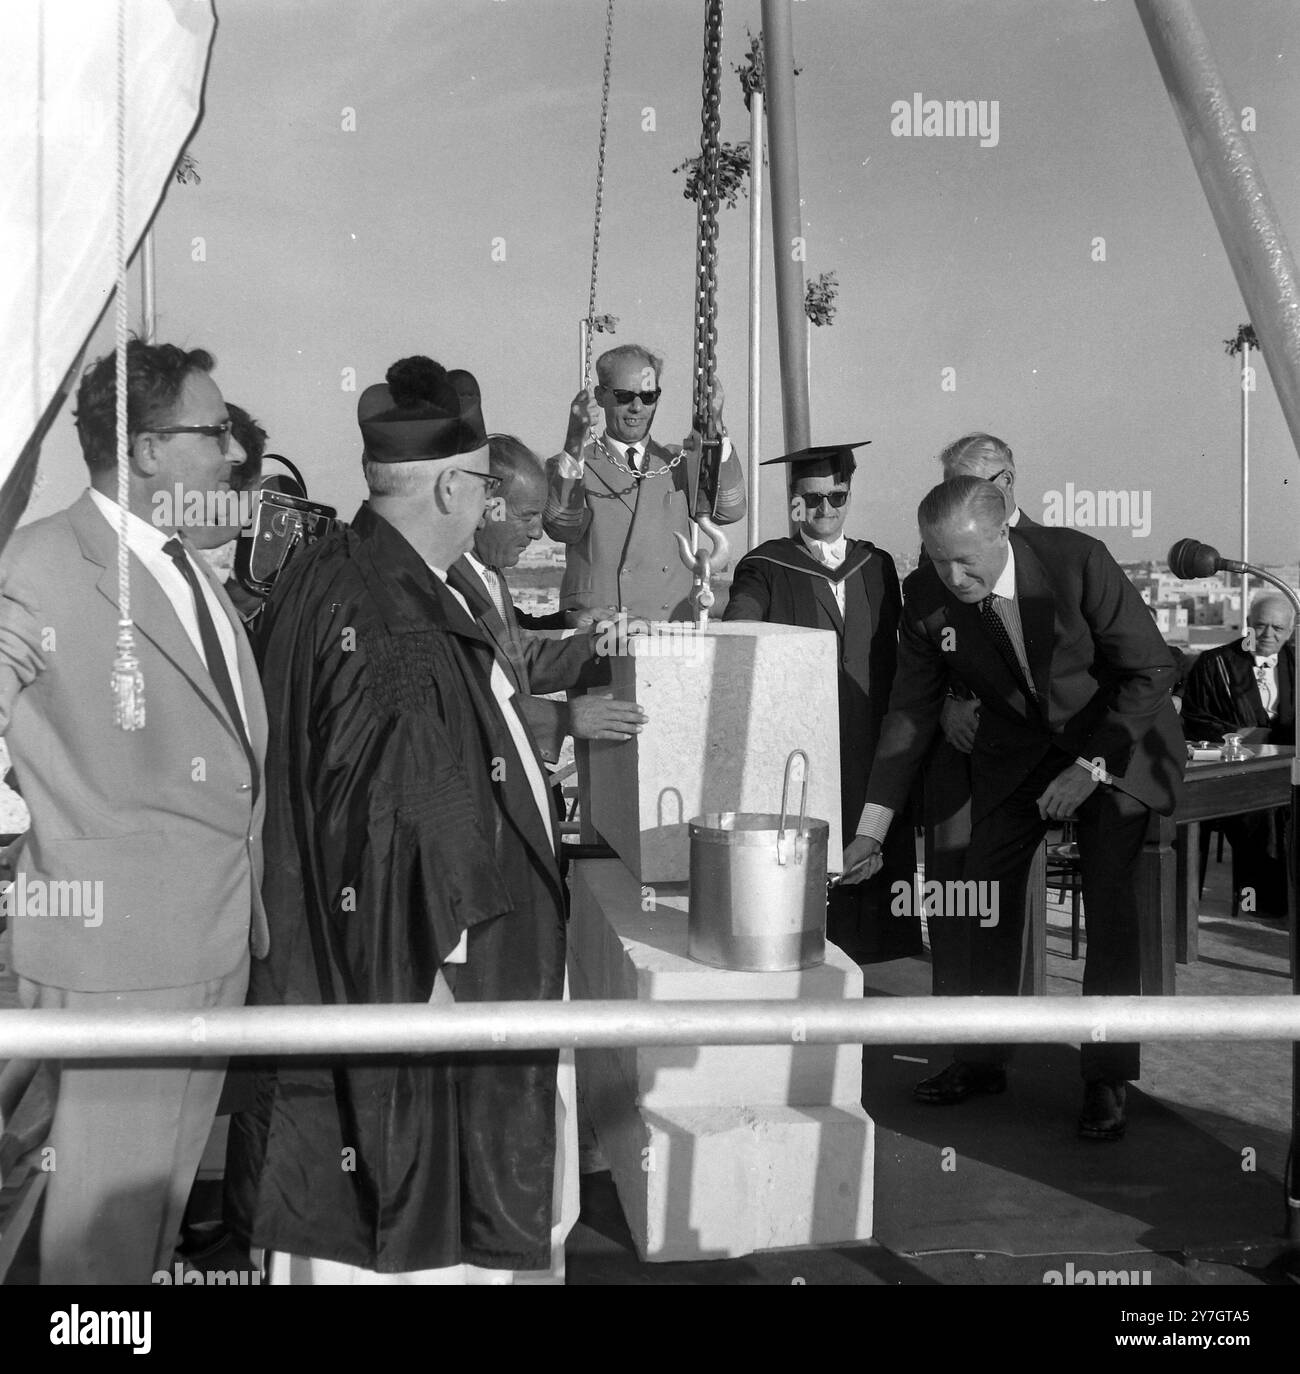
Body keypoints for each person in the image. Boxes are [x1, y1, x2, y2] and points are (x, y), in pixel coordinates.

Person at [225, 355, 575, 1283]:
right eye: (488, 486)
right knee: (408, 1248)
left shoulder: (346, 573)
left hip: (356, 1001)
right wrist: (488, 970)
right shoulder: (392, 618)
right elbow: (406, 849)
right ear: (457, 486)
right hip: (422, 1025)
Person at [0, 339, 267, 1284]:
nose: (235, 453)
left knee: (147, 1236)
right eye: (217, 431)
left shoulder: (188, 568)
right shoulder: (41, 560)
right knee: (93, 1249)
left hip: (208, 951)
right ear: (147, 449)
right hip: (115, 965)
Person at [842, 476, 1184, 1141]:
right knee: (978, 891)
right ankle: (982, 1055)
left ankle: (1105, 1074)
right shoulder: (926, 594)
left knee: (1110, 897)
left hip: (1116, 740)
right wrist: (871, 830)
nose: (953, 575)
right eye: (937, 558)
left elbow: (1150, 670)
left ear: (1004, 531)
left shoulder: (1076, 560)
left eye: (966, 558)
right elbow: (910, 714)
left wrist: (1091, 770)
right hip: (1020, 756)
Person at [722, 442, 920, 963]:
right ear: (794, 502)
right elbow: (742, 622)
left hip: (872, 746)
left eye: (836, 497)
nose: (825, 510)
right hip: (802, 751)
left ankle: (872, 1004)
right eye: (811, 500)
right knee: (806, 906)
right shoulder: (765, 565)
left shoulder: (876, 564)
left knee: (876, 907)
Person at [448, 432, 645, 764]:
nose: (537, 532)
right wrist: (563, 719)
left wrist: (605, 645)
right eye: (527, 517)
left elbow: (520, 659)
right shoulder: (444, 583)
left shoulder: (488, 572)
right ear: (486, 509)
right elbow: (459, 699)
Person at [923, 434, 1039, 994]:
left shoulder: (1058, 552)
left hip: (1037, 759)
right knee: (952, 892)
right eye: (951, 490)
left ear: (1007, 483)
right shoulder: (935, 558)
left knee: (1010, 905)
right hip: (960, 752)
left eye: (972, 488)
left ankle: (1025, 1027)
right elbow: (922, 650)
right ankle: (961, 1031)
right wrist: (948, 705)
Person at [543, 343, 746, 622]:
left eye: (648, 397)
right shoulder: (570, 465)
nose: (637, 407)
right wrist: (574, 440)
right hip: (603, 629)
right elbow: (562, 527)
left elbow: (730, 510)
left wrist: (716, 427)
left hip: (671, 627)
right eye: (625, 396)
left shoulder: (678, 461)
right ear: (601, 396)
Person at [1180, 590, 1296, 917]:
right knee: (1264, 814)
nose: (1268, 635)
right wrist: (1246, 736)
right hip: (1233, 775)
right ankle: (1267, 906)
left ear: (1291, 631)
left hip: (1287, 771)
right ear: (1247, 624)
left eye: (1278, 628)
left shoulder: (1296, 664)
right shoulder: (1215, 663)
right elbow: (1195, 718)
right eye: (1260, 626)